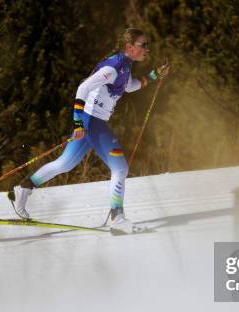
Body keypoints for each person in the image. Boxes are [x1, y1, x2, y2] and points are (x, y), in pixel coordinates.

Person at [9, 28, 169, 231]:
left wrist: (154, 75)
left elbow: (129, 87)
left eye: (147, 45)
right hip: (92, 122)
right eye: (143, 45)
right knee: (120, 168)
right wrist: (77, 123)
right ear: (129, 47)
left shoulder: (125, 66)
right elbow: (83, 88)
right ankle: (117, 218)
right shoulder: (113, 67)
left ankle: (23, 188)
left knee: (64, 164)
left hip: (91, 122)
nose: (147, 49)